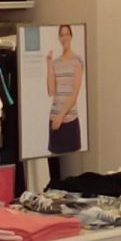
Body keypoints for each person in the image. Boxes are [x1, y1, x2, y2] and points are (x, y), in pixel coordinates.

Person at [46, 24, 85, 155]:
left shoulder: (77, 61)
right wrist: (49, 65)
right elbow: (51, 91)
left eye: (67, 34)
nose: (64, 38)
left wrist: (61, 116)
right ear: (59, 38)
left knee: (73, 159)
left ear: (71, 36)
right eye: (62, 35)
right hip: (54, 119)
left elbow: (75, 94)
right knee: (55, 161)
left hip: (69, 119)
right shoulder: (56, 62)